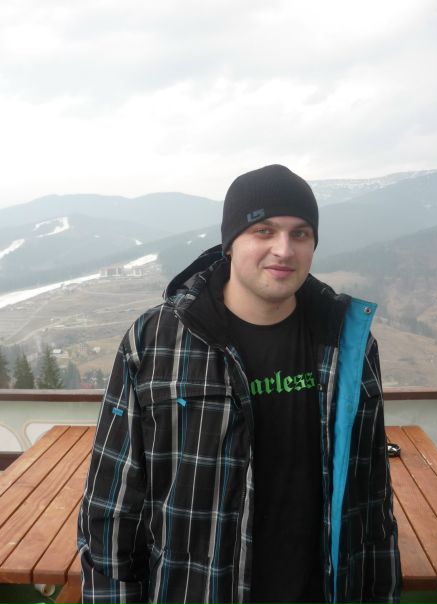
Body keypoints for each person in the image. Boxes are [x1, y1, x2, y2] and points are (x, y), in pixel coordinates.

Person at [77, 164, 401, 604]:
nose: (283, 249)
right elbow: (112, 504)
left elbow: (372, 496)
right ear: (230, 242)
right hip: (194, 589)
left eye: (300, 233)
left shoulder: (348, 342)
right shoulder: (156, 341)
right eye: (264, 231)